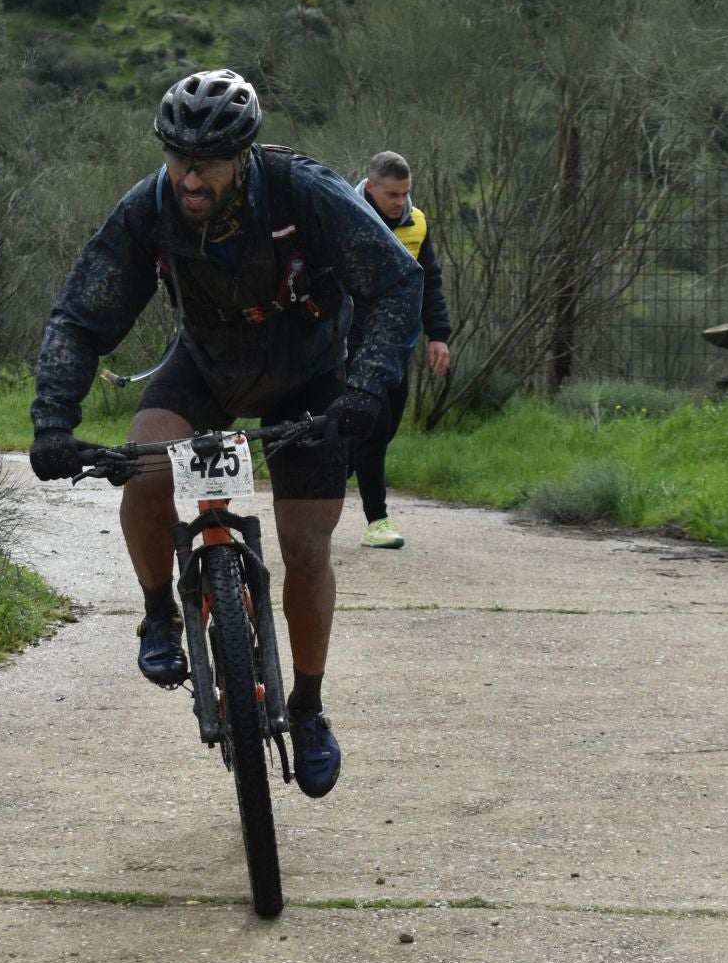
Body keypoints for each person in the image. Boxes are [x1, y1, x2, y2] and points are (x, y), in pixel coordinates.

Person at [26, 70, 423, 800]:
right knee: (145, 471)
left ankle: (307, 708)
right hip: (205, 369)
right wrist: (53, 421)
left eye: (206, 162)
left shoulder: (303, 190)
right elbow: (81, 316)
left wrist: (366, 385)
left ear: (243, 155)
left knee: (305, 549)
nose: (190, 176)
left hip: (309, 374)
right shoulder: (150, 208)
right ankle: (157, 615)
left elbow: (397, 282)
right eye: (177, 158)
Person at [349, 151, 452, 550]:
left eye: (405, 193)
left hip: (398, 344)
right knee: (374, 430)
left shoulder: (417, 223)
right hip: (353, 342)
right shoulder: (344, 212)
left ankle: (342, 462)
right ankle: (377, 521)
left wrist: (438, 334)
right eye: (392, 194)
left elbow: (430, 283)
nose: (400, 202)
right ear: (371, 187)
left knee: (384, 429)